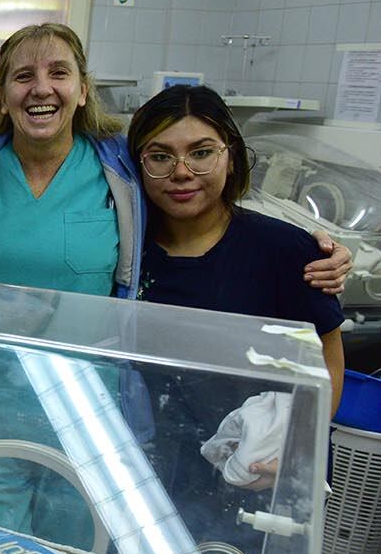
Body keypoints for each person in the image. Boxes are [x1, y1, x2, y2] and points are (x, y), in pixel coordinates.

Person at [0, 22, 350, 549]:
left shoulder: (120, 168)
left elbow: (202, 204)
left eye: (58, 73)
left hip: (88, 407)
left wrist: (322, 247)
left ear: (84, 88)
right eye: (23, 76)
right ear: (3, 94)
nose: (41, 88)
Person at [129, 84, 343, 513]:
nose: (182, 171)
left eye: (202, 152)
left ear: (231, 155)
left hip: (254, 473)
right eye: (160, 156)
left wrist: (297, 449)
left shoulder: (284, 250)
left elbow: (326, 362)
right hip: (148, 466)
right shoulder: (126, 250)